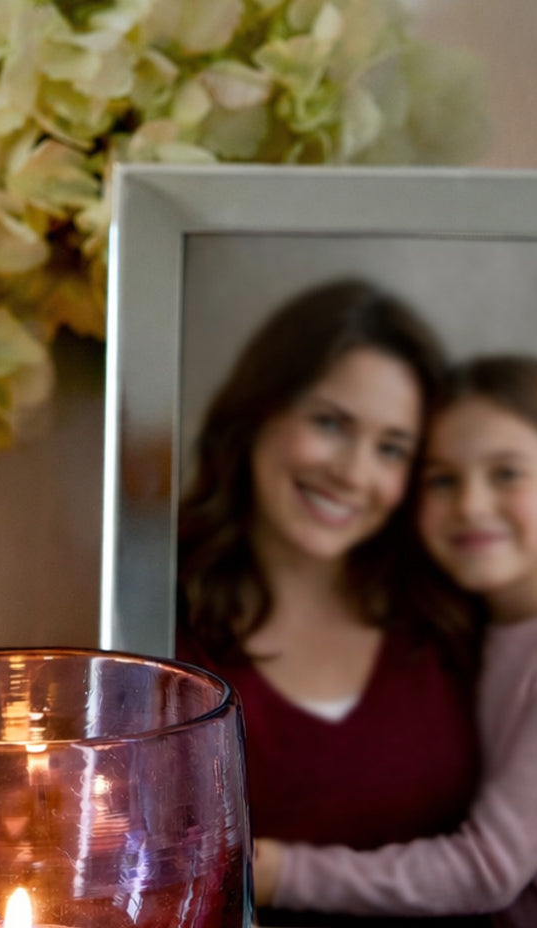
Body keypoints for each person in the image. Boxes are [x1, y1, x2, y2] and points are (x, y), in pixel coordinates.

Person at [253, 354, 537, 928]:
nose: (471, 505)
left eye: (506, 474)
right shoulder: (470, 630)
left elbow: (487, 870)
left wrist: (279, 872)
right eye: (443, 479)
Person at [176, 279, 481, 867]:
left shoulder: (453, 616)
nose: (353, 473)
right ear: (260, 410)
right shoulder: (152, 614)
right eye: (330, 424)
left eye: (391, 449)